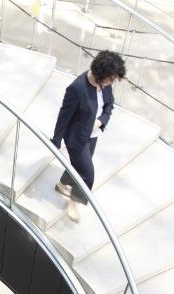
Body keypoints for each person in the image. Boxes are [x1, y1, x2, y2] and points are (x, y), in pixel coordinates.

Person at [51, 51, 127, 223]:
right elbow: (64, 116)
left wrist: (100, 121)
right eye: (110, 79)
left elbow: (109, 106)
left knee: (78, 167)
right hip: (76, 139)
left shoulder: (105, 85)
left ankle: (61, 185)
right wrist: (56, 140)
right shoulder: (77, 88)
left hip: (92, 136)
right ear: (100, 73)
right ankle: (74, 202)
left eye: (113, 79)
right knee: (87, 174)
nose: (111, 82)